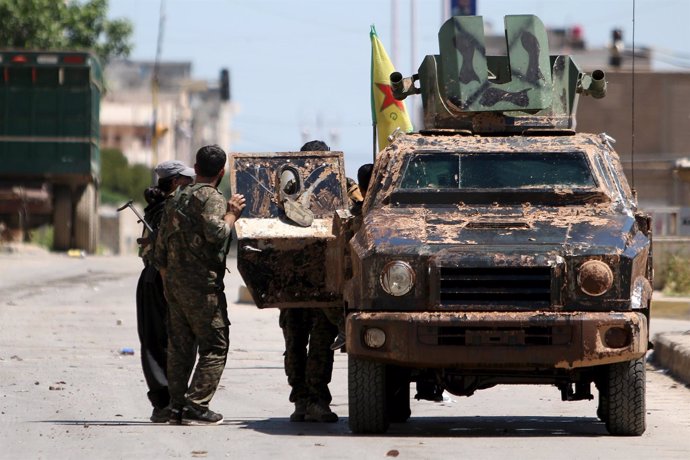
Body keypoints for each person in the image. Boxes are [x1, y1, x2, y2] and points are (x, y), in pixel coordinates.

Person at [154, 144, 246, 425]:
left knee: (180, 348)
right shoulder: (212, 198)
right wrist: (231, 214)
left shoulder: (175, 198)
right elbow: (217, 234)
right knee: (215, 346)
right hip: (202, 288)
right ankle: (196, 405)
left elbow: (160, 249)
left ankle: (175, 407)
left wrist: (168, 285)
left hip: (175, 284)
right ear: (222, 172)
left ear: (195, 169)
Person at [280, 140, 339, 423]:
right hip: (298, 279)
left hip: (323, 279)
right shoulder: (286, 191)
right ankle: (303, 399)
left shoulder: (339, 188)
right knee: (296, 342)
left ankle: (313, 399)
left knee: (318, 341)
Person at [136, 160, 195, 423]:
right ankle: (164, 403)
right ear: (175, 182)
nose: (192, 185)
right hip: (158, 278)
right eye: (187, 180)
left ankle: (172, 401)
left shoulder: (166, 205)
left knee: (172, 340)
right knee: (159, 341)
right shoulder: (166, 208)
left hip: (165, 277)